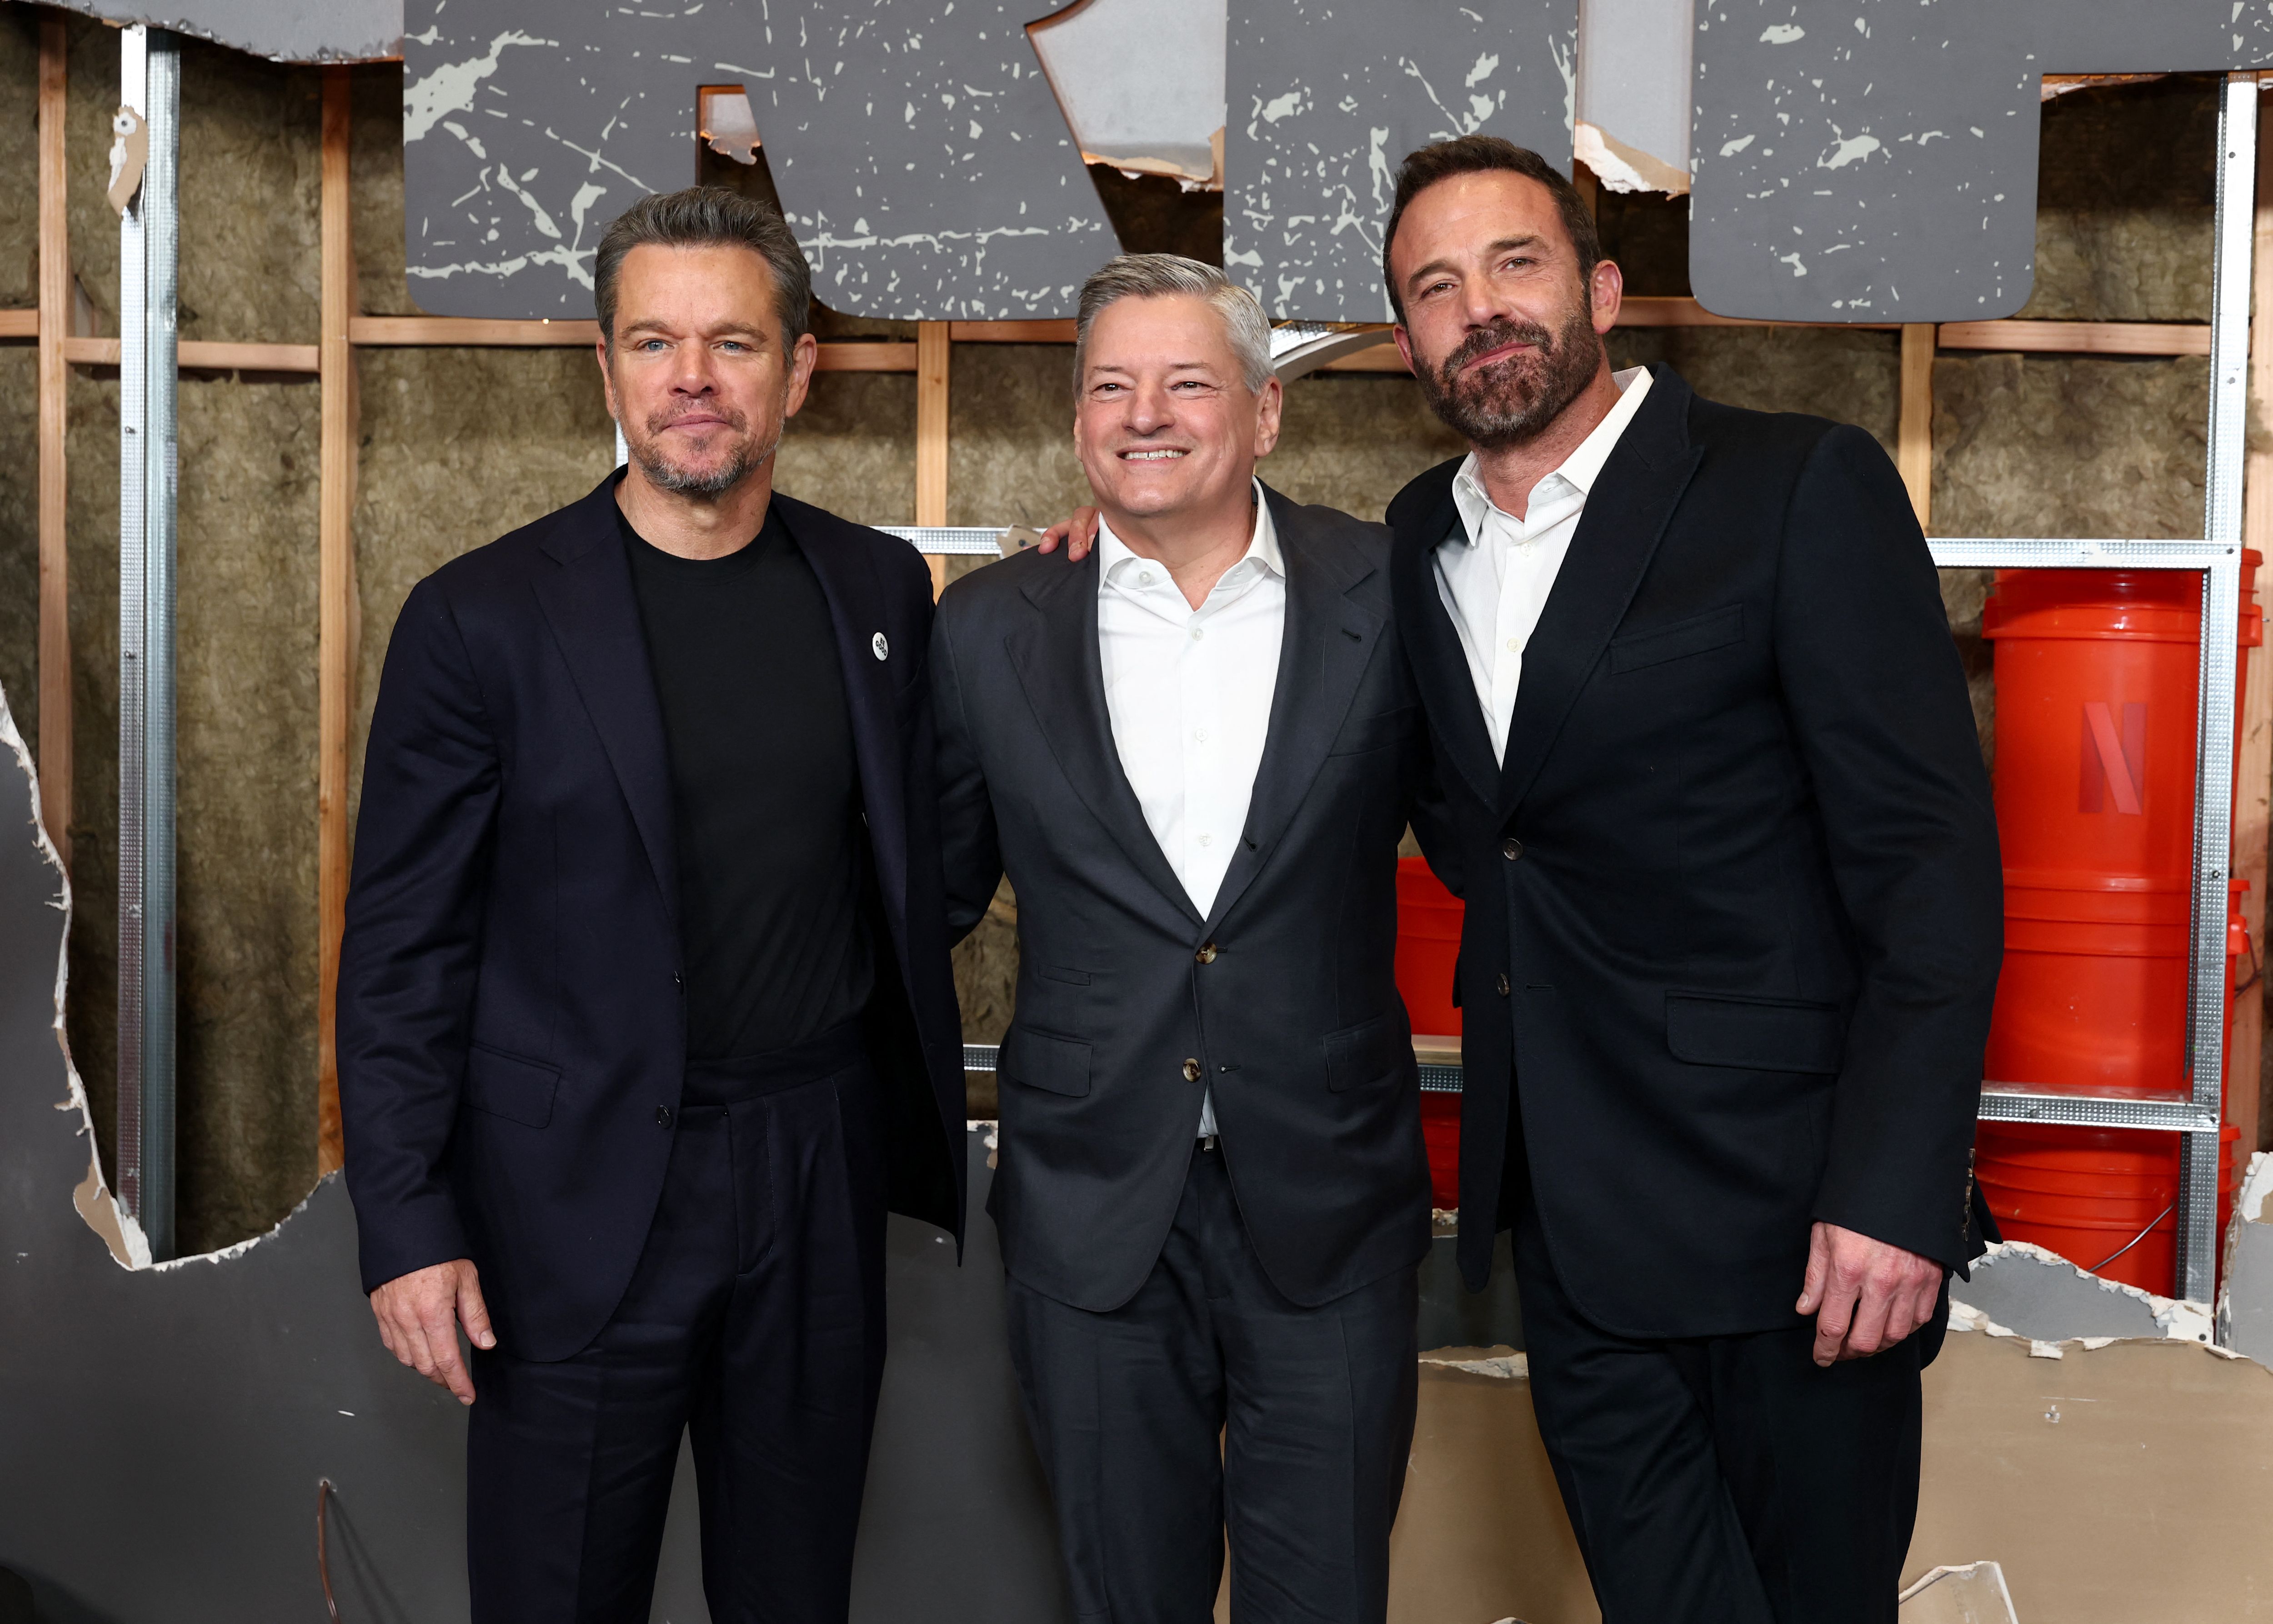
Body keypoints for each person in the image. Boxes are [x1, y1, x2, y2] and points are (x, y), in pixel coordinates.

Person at [1379, 138, 2002, 1620]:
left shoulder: (1794, 485)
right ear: (1405, 339)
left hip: (1798, 1224)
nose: (1481, 309)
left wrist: (1896, 1191)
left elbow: (1929, 866)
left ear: (1602, 290)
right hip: (1570, 1231)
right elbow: (1486, 833)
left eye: (1516, 264)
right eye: (1436, 287)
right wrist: (1111, 542)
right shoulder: (1415, 539)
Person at [336, 186, 966, 1623]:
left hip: (814, 1171)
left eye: (733, 343)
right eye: (654, 342)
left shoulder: (877, 589)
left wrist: (1095, 566)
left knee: (793, 1595)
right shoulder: (478, 618)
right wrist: (408, 1219)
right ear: (607, 367)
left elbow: (934, 847)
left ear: (797, 372)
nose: (694, 378)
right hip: (571, 1194)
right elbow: (403, 952)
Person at [931, 254, 1434, 1624]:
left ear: (1264, 413)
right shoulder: (988, 628)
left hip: (1330, 1202)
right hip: (1090, 1208)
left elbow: (1498, 838)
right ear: (1077, 419)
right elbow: (926, 897)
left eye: (1186, 383)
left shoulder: (1392, 590)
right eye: (1112, 386)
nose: (1144, 413)